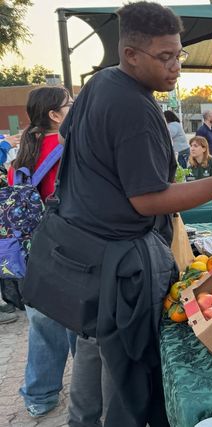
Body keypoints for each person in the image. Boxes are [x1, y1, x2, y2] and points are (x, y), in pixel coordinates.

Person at [48, 3, 212, 425]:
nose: (176, 68)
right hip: (119, 262)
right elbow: (148, 200)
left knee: (93, 346)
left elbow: (70, 138)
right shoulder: (135, 107)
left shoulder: (100, 84)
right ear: (131, 54)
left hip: (86, 252)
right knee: (127, 367)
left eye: (179, 54)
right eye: (165, 57)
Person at [5, 86, 77, 417]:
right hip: (69, 249)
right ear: (54, 114)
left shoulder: (20, 157)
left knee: (43, 327)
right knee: (80, 324)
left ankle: (39, 397)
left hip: (31, 254)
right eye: (69, 103)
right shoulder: (71, 148)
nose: (74, 106)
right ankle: (87, 393)